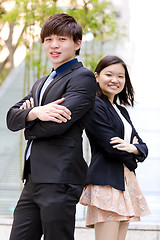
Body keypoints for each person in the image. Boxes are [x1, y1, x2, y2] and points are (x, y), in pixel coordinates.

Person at [6, 13, 96, 240]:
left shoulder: (82, 78)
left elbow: (58, 124)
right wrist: (36, 112)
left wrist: (27, 124)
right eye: (48, 39)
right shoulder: (41, 81)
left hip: (60, 177)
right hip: (33, 177)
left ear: (77, 44)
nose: (54, 45)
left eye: (62, 39)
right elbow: (10, 118)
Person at [80, 55, 150, 240]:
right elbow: (110, 146)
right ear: (96, 76)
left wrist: (134, 149)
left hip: (125, 182)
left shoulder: (121, 111)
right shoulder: (94, 105)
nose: (115, 80)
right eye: (109, 74)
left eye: (121, 76)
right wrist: (133, 156)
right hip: (106, 182)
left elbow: (142, 146)